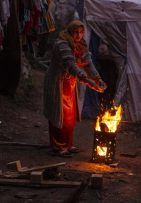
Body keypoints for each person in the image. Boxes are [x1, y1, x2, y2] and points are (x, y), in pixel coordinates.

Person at [43, 20, 107, 157]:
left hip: (69, 83)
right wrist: (87, 81)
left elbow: (88, 64)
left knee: (70, 117)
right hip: (58, 82)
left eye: (81, 32)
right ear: (71, 31)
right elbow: (71, 65)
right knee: (60, 115)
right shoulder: (62, 43)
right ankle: (59, 146)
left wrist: (98, 79)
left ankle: (67, 144)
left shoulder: (81, 45)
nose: (78, 35)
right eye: (76, 32)